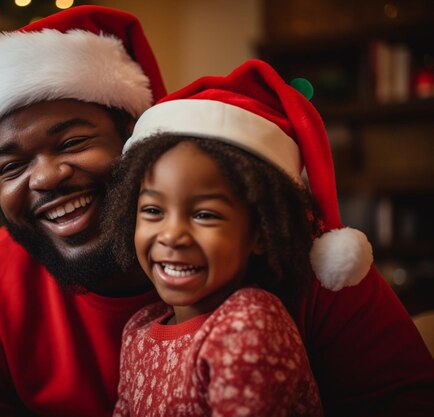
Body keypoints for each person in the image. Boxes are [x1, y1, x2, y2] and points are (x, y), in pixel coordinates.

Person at [0, 5, 434, 417]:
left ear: (136, 137)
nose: (48, 176)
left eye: (73, 140)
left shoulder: (297, 250)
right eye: (11, 167)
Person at [105, 60, 327, 416]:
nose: (172, 235)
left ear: (259, 232)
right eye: (152, 211)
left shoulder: (249, 321)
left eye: (204, 214)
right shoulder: (139, 329)